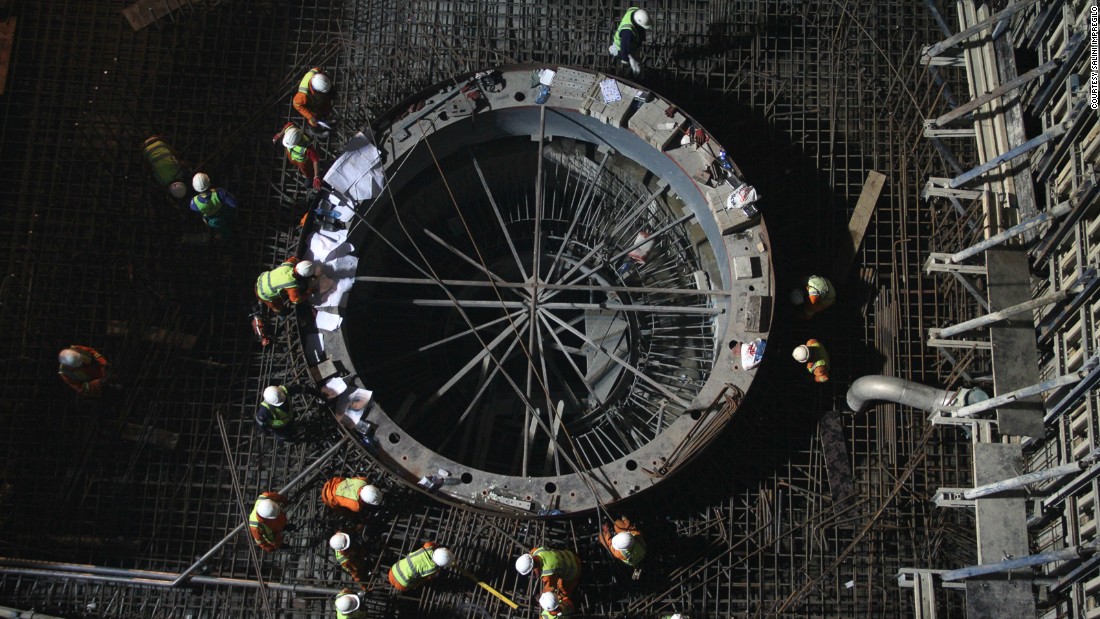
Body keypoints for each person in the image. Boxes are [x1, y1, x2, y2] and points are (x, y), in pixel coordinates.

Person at [273, 123, 322, 189]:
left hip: (302, 161)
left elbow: (315, 160)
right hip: (291, 153)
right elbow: (289, 124)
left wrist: (316, 176)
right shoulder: (291, 131)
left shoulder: (307, 147)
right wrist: (280, 134)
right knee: (291, 160)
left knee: (305, 170)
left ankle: (309, 177)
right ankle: (294, 163)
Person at [388, 542, 453, 592]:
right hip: (401, 585)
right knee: (416, 582)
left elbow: (432, 543)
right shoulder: (433, 570)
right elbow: (425, 579)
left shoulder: (428, 546)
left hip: (394, 569)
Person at [514, 547, 582, 595]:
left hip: (574, 568)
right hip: (569, 555)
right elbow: (534, 557)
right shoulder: (537, 551)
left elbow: (550, 588)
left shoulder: (547, 574)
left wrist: (543, 594)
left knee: (563, 592)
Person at [189, 173, 238, 239]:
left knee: (223, 229)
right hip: (225, 212)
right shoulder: (219, 192)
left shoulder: (194, 203)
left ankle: (226, 236)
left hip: (213, 220)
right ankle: (234, 228)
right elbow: (234, 204)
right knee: (231, 221)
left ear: (194, 187)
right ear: (209, 182)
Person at [141, 135, 189, 200]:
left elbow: (176, 155)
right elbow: (150, 170)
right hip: (145, 147)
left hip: (158, 141)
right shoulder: (162, 181)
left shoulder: (180, 173)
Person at [608, 7, 652, 77]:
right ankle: (636, 78)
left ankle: (635, 74)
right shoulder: (627, 31)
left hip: (631, 43)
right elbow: (624, 45)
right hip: (623, 47)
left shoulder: (633, 12)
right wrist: (624, 58)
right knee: (636, 66)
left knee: (636, 63)